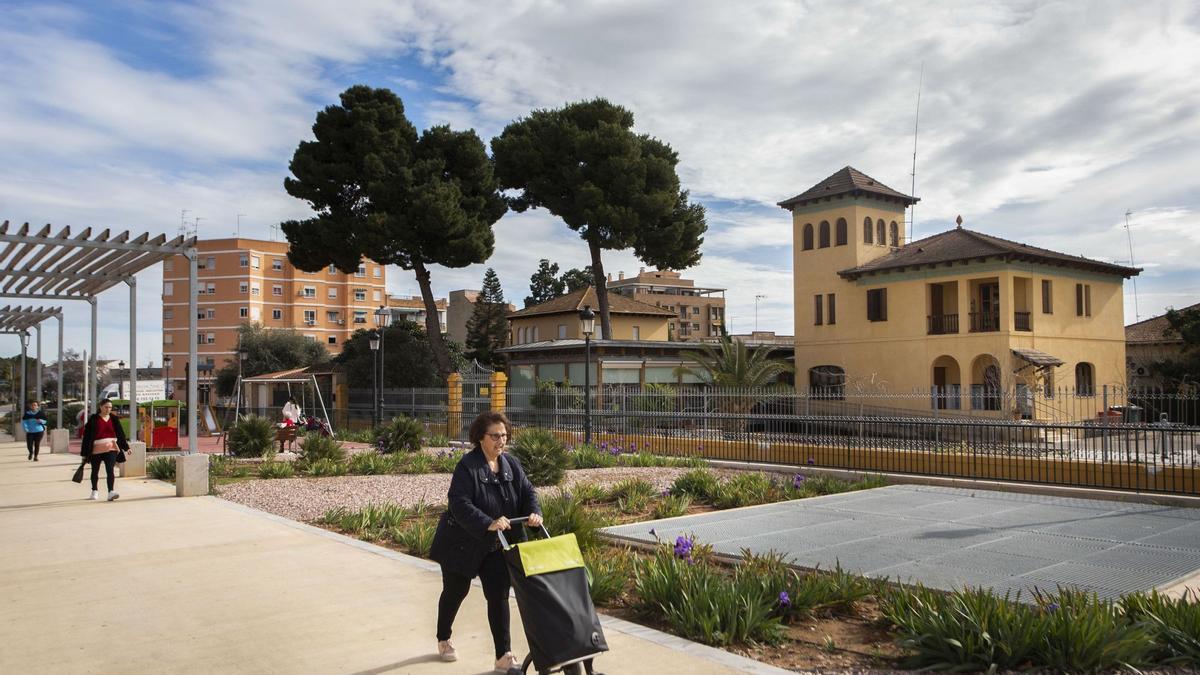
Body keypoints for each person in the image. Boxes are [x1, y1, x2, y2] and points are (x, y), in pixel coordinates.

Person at [429, 411, 542, 672]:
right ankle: (443, 637)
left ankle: (503, 656)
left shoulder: (511, 464)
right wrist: (487, 522)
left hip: (495, 545)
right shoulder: (467, 467)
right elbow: (458, 503)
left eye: (504, 435)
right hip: (462, 543)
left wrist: (534, 513)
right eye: (495, 436)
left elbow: (527, 492)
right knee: (456, 592)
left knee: (499, 596)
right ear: (481, 437)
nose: (500, 441)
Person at [80, 398, 130, 502]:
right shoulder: (93, 419)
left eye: (110, 407)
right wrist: (84, 453)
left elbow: (120, 433)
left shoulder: (114, 419)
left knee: (110, 469)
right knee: (95, 470)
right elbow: (87, 437)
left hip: (111, 447)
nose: (108, 409)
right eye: (106, 407)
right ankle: (94, 490)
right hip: (96, 449)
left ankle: (111, 492)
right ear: (101, 407)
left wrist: (126, 447)